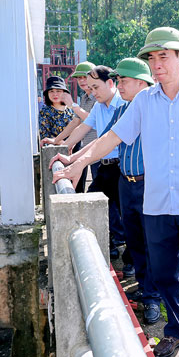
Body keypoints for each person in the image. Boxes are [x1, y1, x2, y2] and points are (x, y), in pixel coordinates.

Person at [57, 27, 179, 357]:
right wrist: (76, 163)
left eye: (164, 56)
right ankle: (176, 332)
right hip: (157, 206)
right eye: (152, 58)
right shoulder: (144, 102)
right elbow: (112, 138)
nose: (156, 64)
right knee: (164, 275)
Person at [52, 57, 163, 324]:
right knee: (136, 241)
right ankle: (147, 287)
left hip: (150, 183)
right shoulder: (122, 110)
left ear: (142, 82)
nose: (120, 85)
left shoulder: (153, 106)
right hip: (128, 182)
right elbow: (105, 139)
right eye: (119, 80)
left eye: (123, 80)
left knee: (152, 242)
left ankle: (153, 297)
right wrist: (73, 161)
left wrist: (75, 162)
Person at [58, 66, 127, 257]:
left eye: (96, 87)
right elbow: (84, 128)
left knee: (127, 216)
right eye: (90, 88)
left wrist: (74, 159)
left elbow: (105, 139)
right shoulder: (98, 106)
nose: (92, 92)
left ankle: (130, 261)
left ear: (111, 83)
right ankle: (106, 247)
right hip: (103, 165)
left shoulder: (123, 105)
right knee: (91, 205)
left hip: (122, 168)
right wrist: (63, 147)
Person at [38, 76, 76, 143]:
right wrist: (64, 143)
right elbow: (44, 136)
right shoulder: (44, 112)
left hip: (75, 148)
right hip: (53, 149)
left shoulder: (71, 109)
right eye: (51, 91)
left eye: (58, 91)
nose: (55, 94)